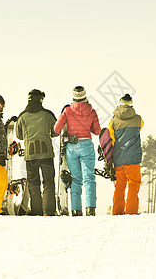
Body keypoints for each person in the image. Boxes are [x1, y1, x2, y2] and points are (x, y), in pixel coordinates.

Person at [54, 86, 101, 216]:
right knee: (89, 178)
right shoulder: (91, 111)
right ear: (85, 96)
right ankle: (90, 209)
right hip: (86, 145)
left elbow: (57, 129)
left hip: (72, 147)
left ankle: (76, 210)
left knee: (76, 179)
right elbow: (97, 131)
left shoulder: (67, 111)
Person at [16, 89, 59, 216]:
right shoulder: (48, 115)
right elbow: (57, 130)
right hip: (46, 154)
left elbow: (19, 135)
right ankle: (49, 211)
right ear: (40, 100)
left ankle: (36, 212)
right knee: (48, 183)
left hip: (30, 155)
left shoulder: (22, 116)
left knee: (34, 184)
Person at [108, 94, 144, 215]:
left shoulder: (112, 121)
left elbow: (110, 140)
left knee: (119, 187)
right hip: (133, 160)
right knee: (133, 187)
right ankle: (131, 212)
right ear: (131, 104)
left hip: (118, 160)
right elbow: (140, 128)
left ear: (120, 103)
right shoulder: (138, 119)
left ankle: (117, 213)